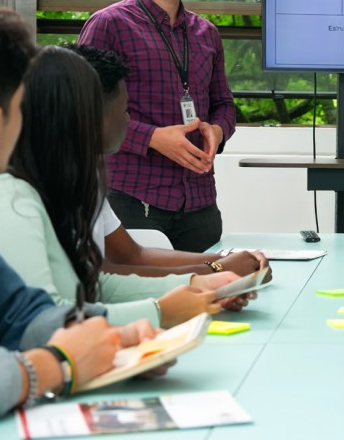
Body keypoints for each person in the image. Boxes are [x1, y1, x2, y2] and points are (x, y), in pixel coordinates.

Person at [0, 0, 157, 431]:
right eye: (21, 107)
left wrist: (112, 337)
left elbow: (21, 313)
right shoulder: (6, 199)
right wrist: (51, 365)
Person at [0, 48, 245, 329]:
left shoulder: (66, 184)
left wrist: (201, 283)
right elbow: (41, 323)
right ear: (84, 118)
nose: (128, 120)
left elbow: (92, 285)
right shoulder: (8, 202)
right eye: (125, 110)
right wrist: (159, 313)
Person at [77, 0, 236, 252]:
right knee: (145, 302)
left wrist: (217, 131)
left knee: (211, 298)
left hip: (200, 205)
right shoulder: (109, 25)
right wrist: (153, 138)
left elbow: (224, 103)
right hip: (134, 202)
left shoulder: (206, 33)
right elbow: (82, 110)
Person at [69, 43, 267, 278]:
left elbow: (133, 256)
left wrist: (225, 262)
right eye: (124, 111)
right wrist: (215, 271)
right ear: (88, 112)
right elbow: (104, 279)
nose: (128, 119)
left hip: (197, 197)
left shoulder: (86, 181)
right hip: (138, 198)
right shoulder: (44, 193)